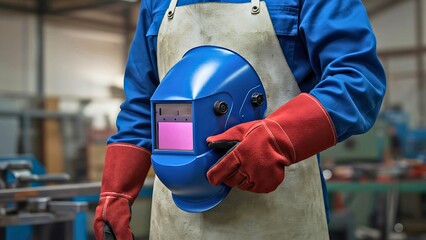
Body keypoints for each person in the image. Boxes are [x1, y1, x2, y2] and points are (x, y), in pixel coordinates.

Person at [94, 0, 386, 239]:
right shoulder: (156, 4)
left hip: (278, 218)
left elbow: (358, 80)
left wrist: (279, 137)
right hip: (175, 222)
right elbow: (142, 106)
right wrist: (116, 192)